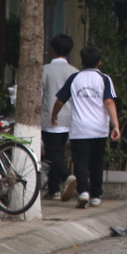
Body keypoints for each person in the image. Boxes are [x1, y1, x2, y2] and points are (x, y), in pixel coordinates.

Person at [51, 46, 120, 209]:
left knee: (80, 161)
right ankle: (96, 195)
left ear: (82, 61)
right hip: (99, 129)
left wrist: (54, 115)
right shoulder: (104, 79)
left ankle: (83, 192)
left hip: (79, 129)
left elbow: (60, 101)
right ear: (99, 62)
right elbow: (109, 102)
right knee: (97, 162)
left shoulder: (74, 78)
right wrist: (115, 125)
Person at [41, 34, 79, 201]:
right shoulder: (75, 72)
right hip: (68, 119)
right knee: (59, 152)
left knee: (52, 153)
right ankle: (54, 189)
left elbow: (39, 93)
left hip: (50, 117)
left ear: (52, 50)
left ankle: (66, 176)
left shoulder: (45, 70)